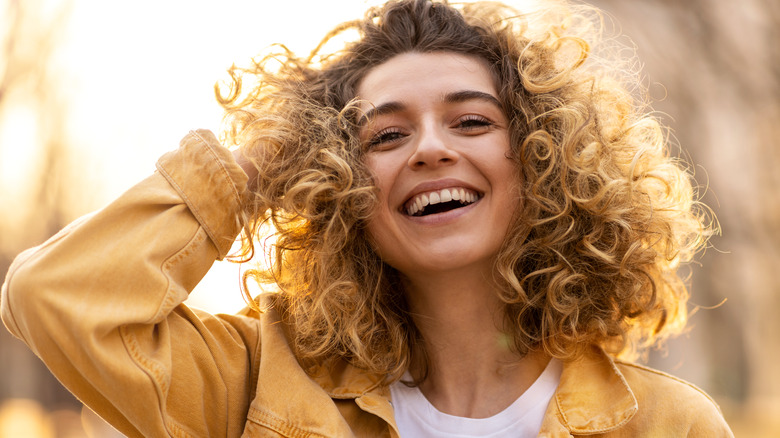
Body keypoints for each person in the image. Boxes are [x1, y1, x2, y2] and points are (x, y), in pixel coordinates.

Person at [1, 0, 733, 436]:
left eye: (471, 121)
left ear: (543, 161)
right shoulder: (257, 386)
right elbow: (54, 297)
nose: (430, 149)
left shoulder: (665, 422)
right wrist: (263, 162)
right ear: (340, 180)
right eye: (384, 136)